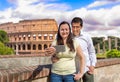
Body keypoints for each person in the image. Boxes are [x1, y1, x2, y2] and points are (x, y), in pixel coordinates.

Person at [71, 17, 97, 82]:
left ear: (81, 27)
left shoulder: (87, 37)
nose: (75, 29)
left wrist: (93, 65)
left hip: (87, 68)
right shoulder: (68, 37)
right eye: (73, 27)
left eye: (77, 27)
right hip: (74, 70)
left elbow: (92, 52)